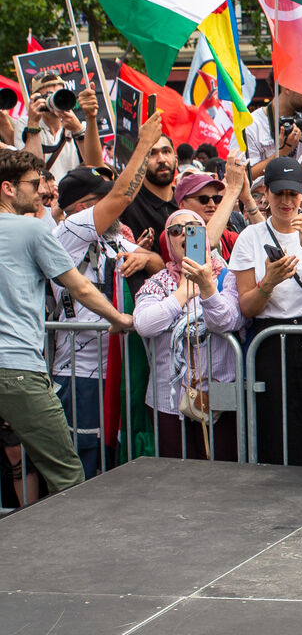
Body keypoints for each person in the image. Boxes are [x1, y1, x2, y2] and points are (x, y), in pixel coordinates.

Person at [0, 148, 133, 497]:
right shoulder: (31, 229)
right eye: (34, 184)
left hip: (17, 366)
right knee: (67, 475)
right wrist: (119, 318)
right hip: (17, 367)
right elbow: (80, 287)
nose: (43, 190)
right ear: (8, 188)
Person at [48, 117, 167, 477]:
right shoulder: (67, 232)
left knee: (115, 468)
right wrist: (143, 144)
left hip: (120, 371)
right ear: (75, 209)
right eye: (95, 201)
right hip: (80, 374)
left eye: (104, 197)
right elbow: (122, 196)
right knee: (84, 467)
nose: (108, 206)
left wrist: (146, 258)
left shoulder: (115, 236)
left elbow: (160, 264)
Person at [229, 157, 302, 466]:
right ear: (265, 193)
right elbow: (247, 306)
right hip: (269, 342)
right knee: (274, 426)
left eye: (292, 193)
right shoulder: (250, 237)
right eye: (279, 194)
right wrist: (269, 282)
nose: (286, 202)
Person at [132, 209, 245, 461]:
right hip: (169, 399)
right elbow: (145, 324)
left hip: (219, 394)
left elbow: (227, 320)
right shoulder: (159, 282)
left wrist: (206, 287)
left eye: (194, 227)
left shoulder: (227, 276)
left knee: (223, 470)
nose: (184, 233)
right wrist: (182, 293)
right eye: (176, 230)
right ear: (168, 241)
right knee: (176, 474)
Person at [11, 74, 103, 183]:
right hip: (43, 191)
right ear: (36, 99)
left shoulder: (78, 125)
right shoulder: (26, 123)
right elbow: (32, 168)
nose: (56, 99)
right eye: (49, 95)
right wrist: (33, 124)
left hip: (72, 191)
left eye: (59, 94)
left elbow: (95, 168)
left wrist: (78, 131)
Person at [119, 130, 181, 244]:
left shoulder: (187, 202)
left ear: (176, 160)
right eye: (152, 153)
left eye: (166, 151)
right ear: (139, 163)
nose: (161, 159)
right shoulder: (128, 203)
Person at [246, 88, 302, 177]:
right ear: (288, 89)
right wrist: (283, 151)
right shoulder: (252, 125)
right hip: (267, 186)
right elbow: (246, 175)